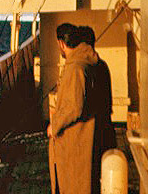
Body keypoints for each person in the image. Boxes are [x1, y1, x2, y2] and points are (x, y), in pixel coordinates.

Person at [47, 23, 99, 194]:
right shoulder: (82, 64)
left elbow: (74, 107)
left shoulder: (75, 68)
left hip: (72, 143)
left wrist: (54, 126)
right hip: (78, 141)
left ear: (61, 43)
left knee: (73, 186)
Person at [79, 26, 116, 194]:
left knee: (93, 174)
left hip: (96, 129)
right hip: (107, 126)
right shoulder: (103, 65)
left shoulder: (89, 68)